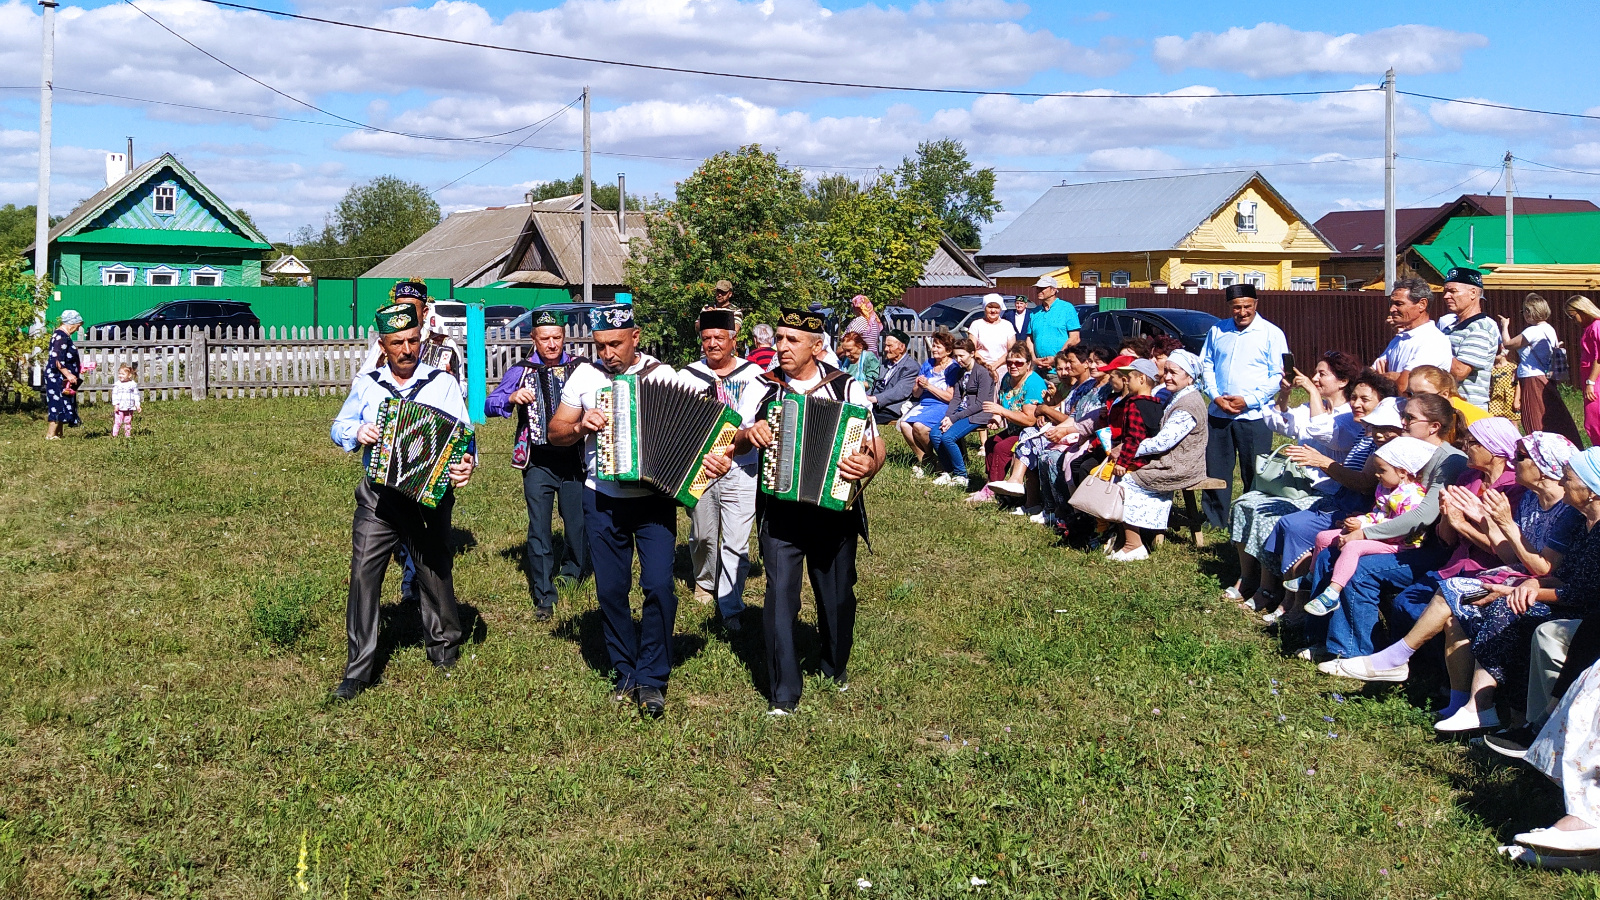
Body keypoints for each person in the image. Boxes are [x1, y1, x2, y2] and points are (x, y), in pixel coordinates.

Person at [1321, 434, 1581, 707]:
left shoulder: (1566, 510)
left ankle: (1398, 660)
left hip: (1539, 585)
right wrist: (1463, 519)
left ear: (1544, 466)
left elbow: (1543, 568)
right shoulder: (1529, 499)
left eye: (1520, 457)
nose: (1514, 463)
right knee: (1448, 615)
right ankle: (1457, 703)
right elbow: (1507, 553)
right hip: (1505, 573)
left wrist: (1499, 524)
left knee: (1447, 592)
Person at [731, 306, 885, 715]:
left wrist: (867, 463)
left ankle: (834, 665)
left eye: (792, 340)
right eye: (779, 338)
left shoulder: (846, 388)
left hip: (834, 512)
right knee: (780, 597)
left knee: (836, 598)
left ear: (817, 347)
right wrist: (751, 432)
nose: (781, 347)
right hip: (781, 511)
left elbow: (874, 444)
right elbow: (734, 442)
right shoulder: (762, 389)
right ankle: (783, 693)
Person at [328, 302, 476, 701]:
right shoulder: (368, 384)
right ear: (383, 344)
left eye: (413, 340)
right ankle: (358, 670)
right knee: (363, 576)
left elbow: (464, 434)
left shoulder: (440, 384)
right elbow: (338, 426)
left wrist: (467, 463)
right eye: (398, 343)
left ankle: (444, 648)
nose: (407, 349)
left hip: (428, 498)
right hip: (378, 498)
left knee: (435, 573)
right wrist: (357, 431)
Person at [548, 304, 682, 717]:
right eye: (600, 345)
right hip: (601, 498)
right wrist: (579, 426)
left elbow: (694, 436)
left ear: (635, 337)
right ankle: (625, 670)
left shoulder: (664, 376)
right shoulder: (585, 377)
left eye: (615, 344)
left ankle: (653, 676)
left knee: (659, 586)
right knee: (610, 589)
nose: (607, 353)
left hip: (654, 502)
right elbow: (556, 433)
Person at [1301, 393, 1469, 661]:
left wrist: (1364, 532)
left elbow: (1423, 515)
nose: (1402, 422)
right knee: (1328, 553)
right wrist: (1362, 522)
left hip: (1426, 547)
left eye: (1410, 418)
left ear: (1434, 426)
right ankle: (1319, 638)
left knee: (1363, 571)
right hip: (1394, 537)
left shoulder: (1450, 460)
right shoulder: (1403, 445)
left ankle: (1353, 653)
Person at [1226, 351, 1367, 608]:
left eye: (1322, 374)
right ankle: (1248, 577)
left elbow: (1326, 433)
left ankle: (1270, 589)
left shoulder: (1352, 416)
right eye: (1315, 373)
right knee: (1245, 504)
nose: (1314, 378)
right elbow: (1278, 423)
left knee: (1269, 517)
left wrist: (1313, 394)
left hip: (1327, 492)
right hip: (1295, 485)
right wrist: (1285, 394)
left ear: (1343, 381)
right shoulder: (1313, 407)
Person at [484, 309, 589, 621]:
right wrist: (512, 397)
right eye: (545, 339)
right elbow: (489, 404)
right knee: (539, 527)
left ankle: (572, 576)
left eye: (557, 338)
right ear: (534, 339)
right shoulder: (521, 370)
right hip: (537, 461)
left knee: (577, 524)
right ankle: (544, 595)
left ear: (564, 338)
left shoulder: (581, 368)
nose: (552, 344)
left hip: (574, 460)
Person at [681, 308, 766, 632]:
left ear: (734, 339)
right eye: (706, 338)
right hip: (700, 469)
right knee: (702, 536)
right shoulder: (687, 376)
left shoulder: (754, 376)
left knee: (736, 541)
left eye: (719, 338)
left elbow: (754, 423)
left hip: (742, 469)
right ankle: (704, 581)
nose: (712, 344)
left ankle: (730, 603)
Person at [1302, 437, 1434, 615]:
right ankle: (1310, 578)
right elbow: (1378, 514)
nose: (1377, 474)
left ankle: (1332, 593)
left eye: (1382, 470)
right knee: (1323, 537)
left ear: (1403, 472)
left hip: (1399, 544)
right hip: (1376, 533)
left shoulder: (1412, 497)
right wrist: (1360, 521)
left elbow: (1400, 528)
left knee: (1353, 547)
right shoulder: (1385, 488)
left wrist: (1362, 529)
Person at [1199, 284, 1289, 528]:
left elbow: (1277, 375)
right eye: (1237, 307)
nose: (1242, 312)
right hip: (1219, 412)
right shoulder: (1218, 330)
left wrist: (1249, 400)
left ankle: (1250, 517)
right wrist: (1215, 396)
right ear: (1230, 307)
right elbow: (1206, 365)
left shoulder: (1271, 334)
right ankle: (1215, 518)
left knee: (1254, 469)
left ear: (1256, 305)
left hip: (1255, 415)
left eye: (1247, 306)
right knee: (1216, 467)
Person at [1112, 352, 1210, 561]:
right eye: (1166, 371)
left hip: (1181, 466)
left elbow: (1162, 442)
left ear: (1189, 377)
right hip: (1172, 461)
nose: (1167, 377)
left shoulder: (1188, 405)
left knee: (1125, 481)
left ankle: (1134, 545)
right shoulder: (1179, 396)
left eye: (1173, 372)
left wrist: (1126, 450)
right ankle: (1126, 539)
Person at [1501, 294, 1582, 442]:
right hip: (1546, 376)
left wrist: (1504, 326)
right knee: (1552, 416)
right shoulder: (1549, 329)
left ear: (1529, 312)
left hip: (1531, 378)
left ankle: (1538, 450)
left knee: (1534, 418)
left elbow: (1508, 344)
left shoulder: (1532, 331)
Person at [972, 343, 1045, 504]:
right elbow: (1005, 404)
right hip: (1014, 428)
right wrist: (996, 418)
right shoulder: (1007, 379)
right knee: (991, 443)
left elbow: (1030, 419)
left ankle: (994, 492)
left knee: (1002, 448)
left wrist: (1001, 412)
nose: (1013, 366)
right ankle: (992, 485)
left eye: (1018, 363)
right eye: (1009, 362)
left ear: (1028, 364)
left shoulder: (1033, 383)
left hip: (1030, 432)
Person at [929, 337, 995, 487]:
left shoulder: (982, 373)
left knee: (948, 438)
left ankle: (961, 475)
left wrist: (955, 418)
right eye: (956, 356)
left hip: (978, 413)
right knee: (935, 434)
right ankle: (948, 470)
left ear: (972, 353)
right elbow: (956, 398)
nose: (958, 359)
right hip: (962, 411)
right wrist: (947, 417)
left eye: (962, 356)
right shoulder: (960, 372)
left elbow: (981, 404)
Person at [1373, 277, 1454, 395]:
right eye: (1391, 303)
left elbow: (1404, 387)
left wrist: (1385, 377)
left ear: (1422, 304)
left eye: (1398, 304)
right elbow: (1370, 374)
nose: (1392, 309)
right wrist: (1391, 377)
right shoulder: (1400, 339)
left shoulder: (1433, 341)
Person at [1437, 266, 1501, 411]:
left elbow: (1460, 372)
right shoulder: (1449, 327)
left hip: (1467, 411)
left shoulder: (1481, 328)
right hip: (1447, 409)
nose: (1446, 296)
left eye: (1452, 291)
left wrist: (1429, 346)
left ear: (1473, 293)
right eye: (1445, 291)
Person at [900, 331, 961, 478]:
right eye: (933, 346)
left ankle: (937, 460)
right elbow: (915, 394)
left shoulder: (953, 368)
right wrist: (919, 386)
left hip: (942, 405)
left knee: (919, 427)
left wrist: (928, 387)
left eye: (938, 347)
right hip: (924, 403)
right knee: (904, 425)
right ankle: (927, 460)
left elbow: (949, 397)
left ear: (948, 350)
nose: (934, 349)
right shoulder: (928, 364)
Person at [1024, 276, 1081, 372]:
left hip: (1060, 369)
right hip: (1037, 369)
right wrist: (1034, 359)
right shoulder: (1035, 312)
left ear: (1053, 290)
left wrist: (1056, 358)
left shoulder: (1066, 308)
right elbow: (1029, 339)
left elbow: (1075, 338)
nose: (1039, 290)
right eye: (1038, 288)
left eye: (1043, 288)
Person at [44, 310, 84, 440]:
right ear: (71, 324)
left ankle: (59, 434)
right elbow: (56, 359)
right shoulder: (60, 337)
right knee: (57, 403)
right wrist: (69, 374)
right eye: (78, 326)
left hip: (63, 377)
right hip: (57, 377)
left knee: (64, 401)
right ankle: (50, 435)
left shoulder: (64, 336)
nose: (78, 329)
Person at [865, 330, 918, 426]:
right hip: (878, 405)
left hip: (893, 408)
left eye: (890, 346)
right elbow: (876, 385)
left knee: (863, 417)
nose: (885, 349)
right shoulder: (886, 364)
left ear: (901, 348)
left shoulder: (911, 367)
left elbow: (899, 392)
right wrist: (864, 397)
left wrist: (875, 399)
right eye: (886, 345)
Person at [1569, 295, 1600, 446]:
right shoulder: (1590, 328)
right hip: (1591, 382)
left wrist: (1590, 382)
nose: (1573, 321)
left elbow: (1598, 357)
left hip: (1596, 384)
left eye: (1573, 316)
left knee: (1594, 421)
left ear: (1583, 311)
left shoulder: (1596, 326)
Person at [969, 293, 1017, 378]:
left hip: (1003, 369)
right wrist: (986, 366)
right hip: (980, 368)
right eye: (990, 307)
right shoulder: (976, 325)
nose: (993, 311)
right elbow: (972, 349)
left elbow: (1011, 350)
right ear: (984, 308)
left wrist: (994, 366)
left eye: (996, 307)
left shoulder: (1007, 325)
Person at [110, 362, 141, 438]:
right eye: (119, 373)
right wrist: (116, 404)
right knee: (118, 422)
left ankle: (127, 435)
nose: (120, 375)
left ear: (129, 375)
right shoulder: (117, 384)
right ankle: (115, 435)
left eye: (123, 374)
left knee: (128, 421)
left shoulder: (132, 384)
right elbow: (114, 395)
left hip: (129, 407)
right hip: (120, 407)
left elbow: (136, 395)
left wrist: (137, 405)